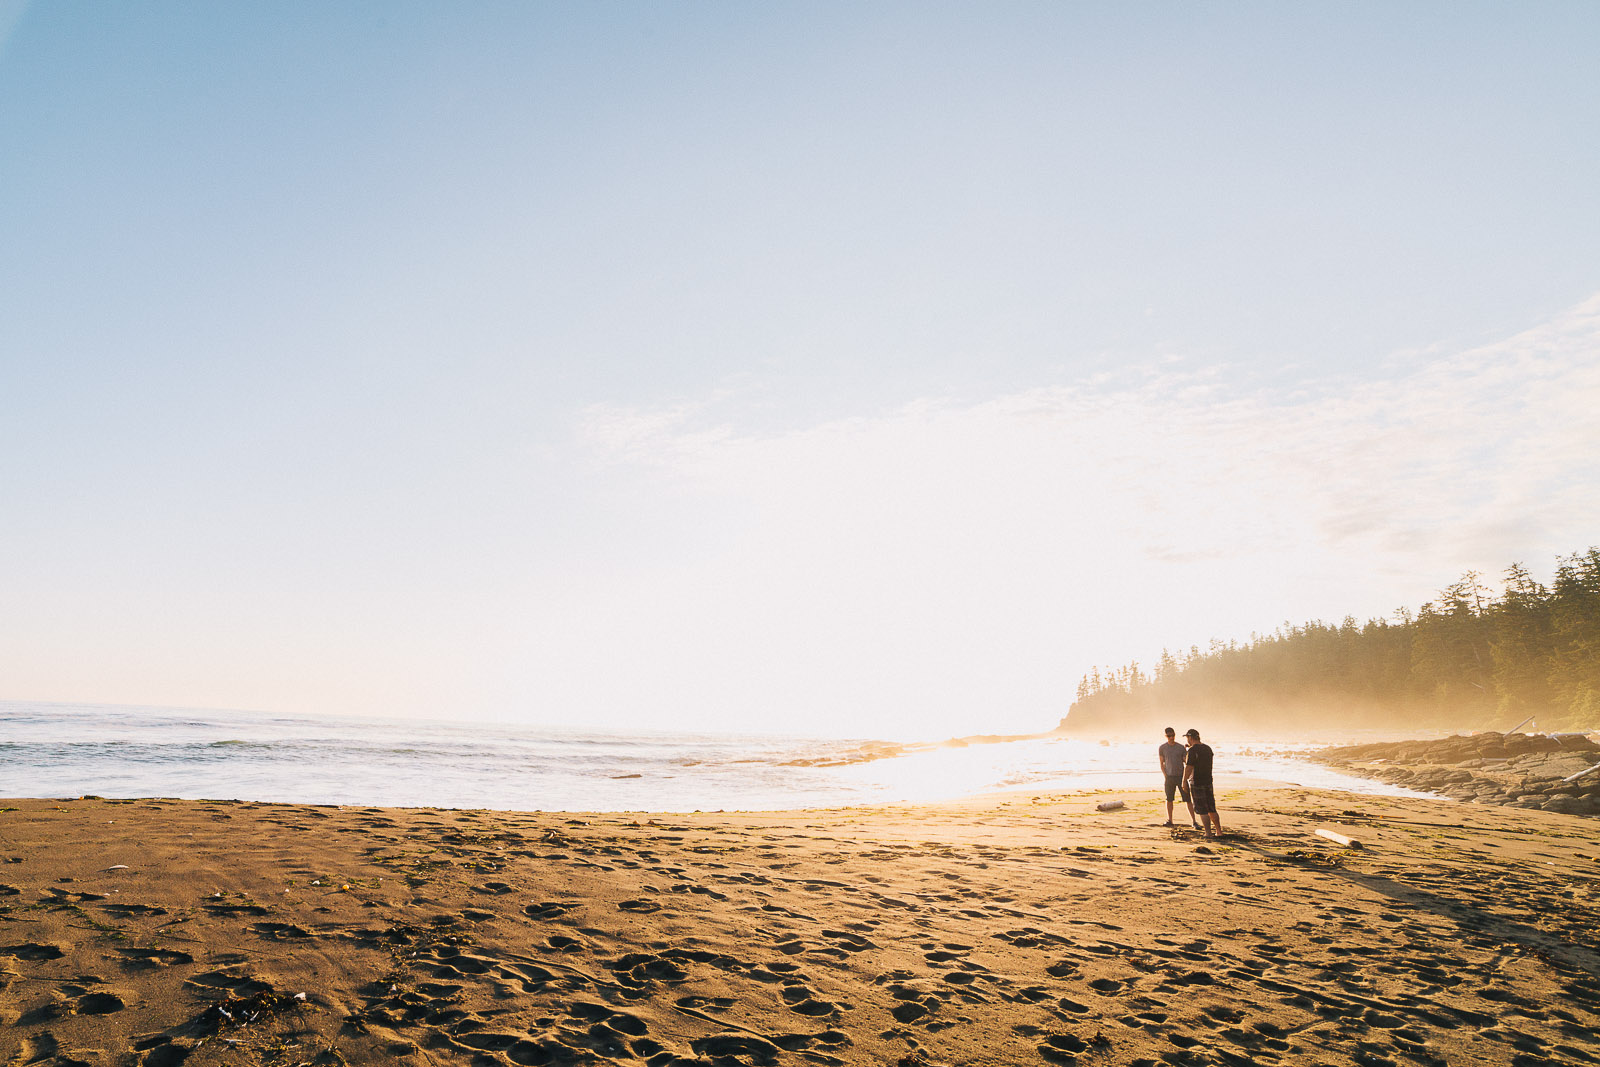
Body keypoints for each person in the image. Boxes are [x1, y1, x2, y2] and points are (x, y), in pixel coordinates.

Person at [1183, 728, 1222, 839]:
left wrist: (1184, 781)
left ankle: (1208, 833)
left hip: (1197, 781)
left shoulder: (1192, 751)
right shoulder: (1207, 748)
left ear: (1190, 737)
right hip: (1208, 780)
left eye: (1188, 738)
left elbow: (1189, 767)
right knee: (1211, 807)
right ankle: (1219, 831)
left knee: (1202, 809)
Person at [1158, 727, 1199, 829]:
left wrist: (1188, 775)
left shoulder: (1180, 747)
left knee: (1187, 799)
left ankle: (1194, 821)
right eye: (1169, 736)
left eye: (1173, 735)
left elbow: (1186, 761)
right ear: (1166, 736)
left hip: (1181, 777)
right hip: (1169, 777)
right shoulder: (1162, 748)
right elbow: (1162, 763)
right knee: (1169, 799)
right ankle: (1170, 820)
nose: (1171, 737)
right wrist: (1165, 775)